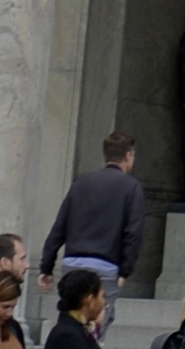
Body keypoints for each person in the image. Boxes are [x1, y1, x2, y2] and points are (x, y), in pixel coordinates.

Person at [38, 131, 146, 307]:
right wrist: (125, 271)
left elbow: (59, 227)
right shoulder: (131, 187)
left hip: (72, 264)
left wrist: (46, 267)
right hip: (106, 267)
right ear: (128, 156)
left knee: (71, 316)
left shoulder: (80, 184)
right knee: (99, 320)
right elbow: (133, 233)